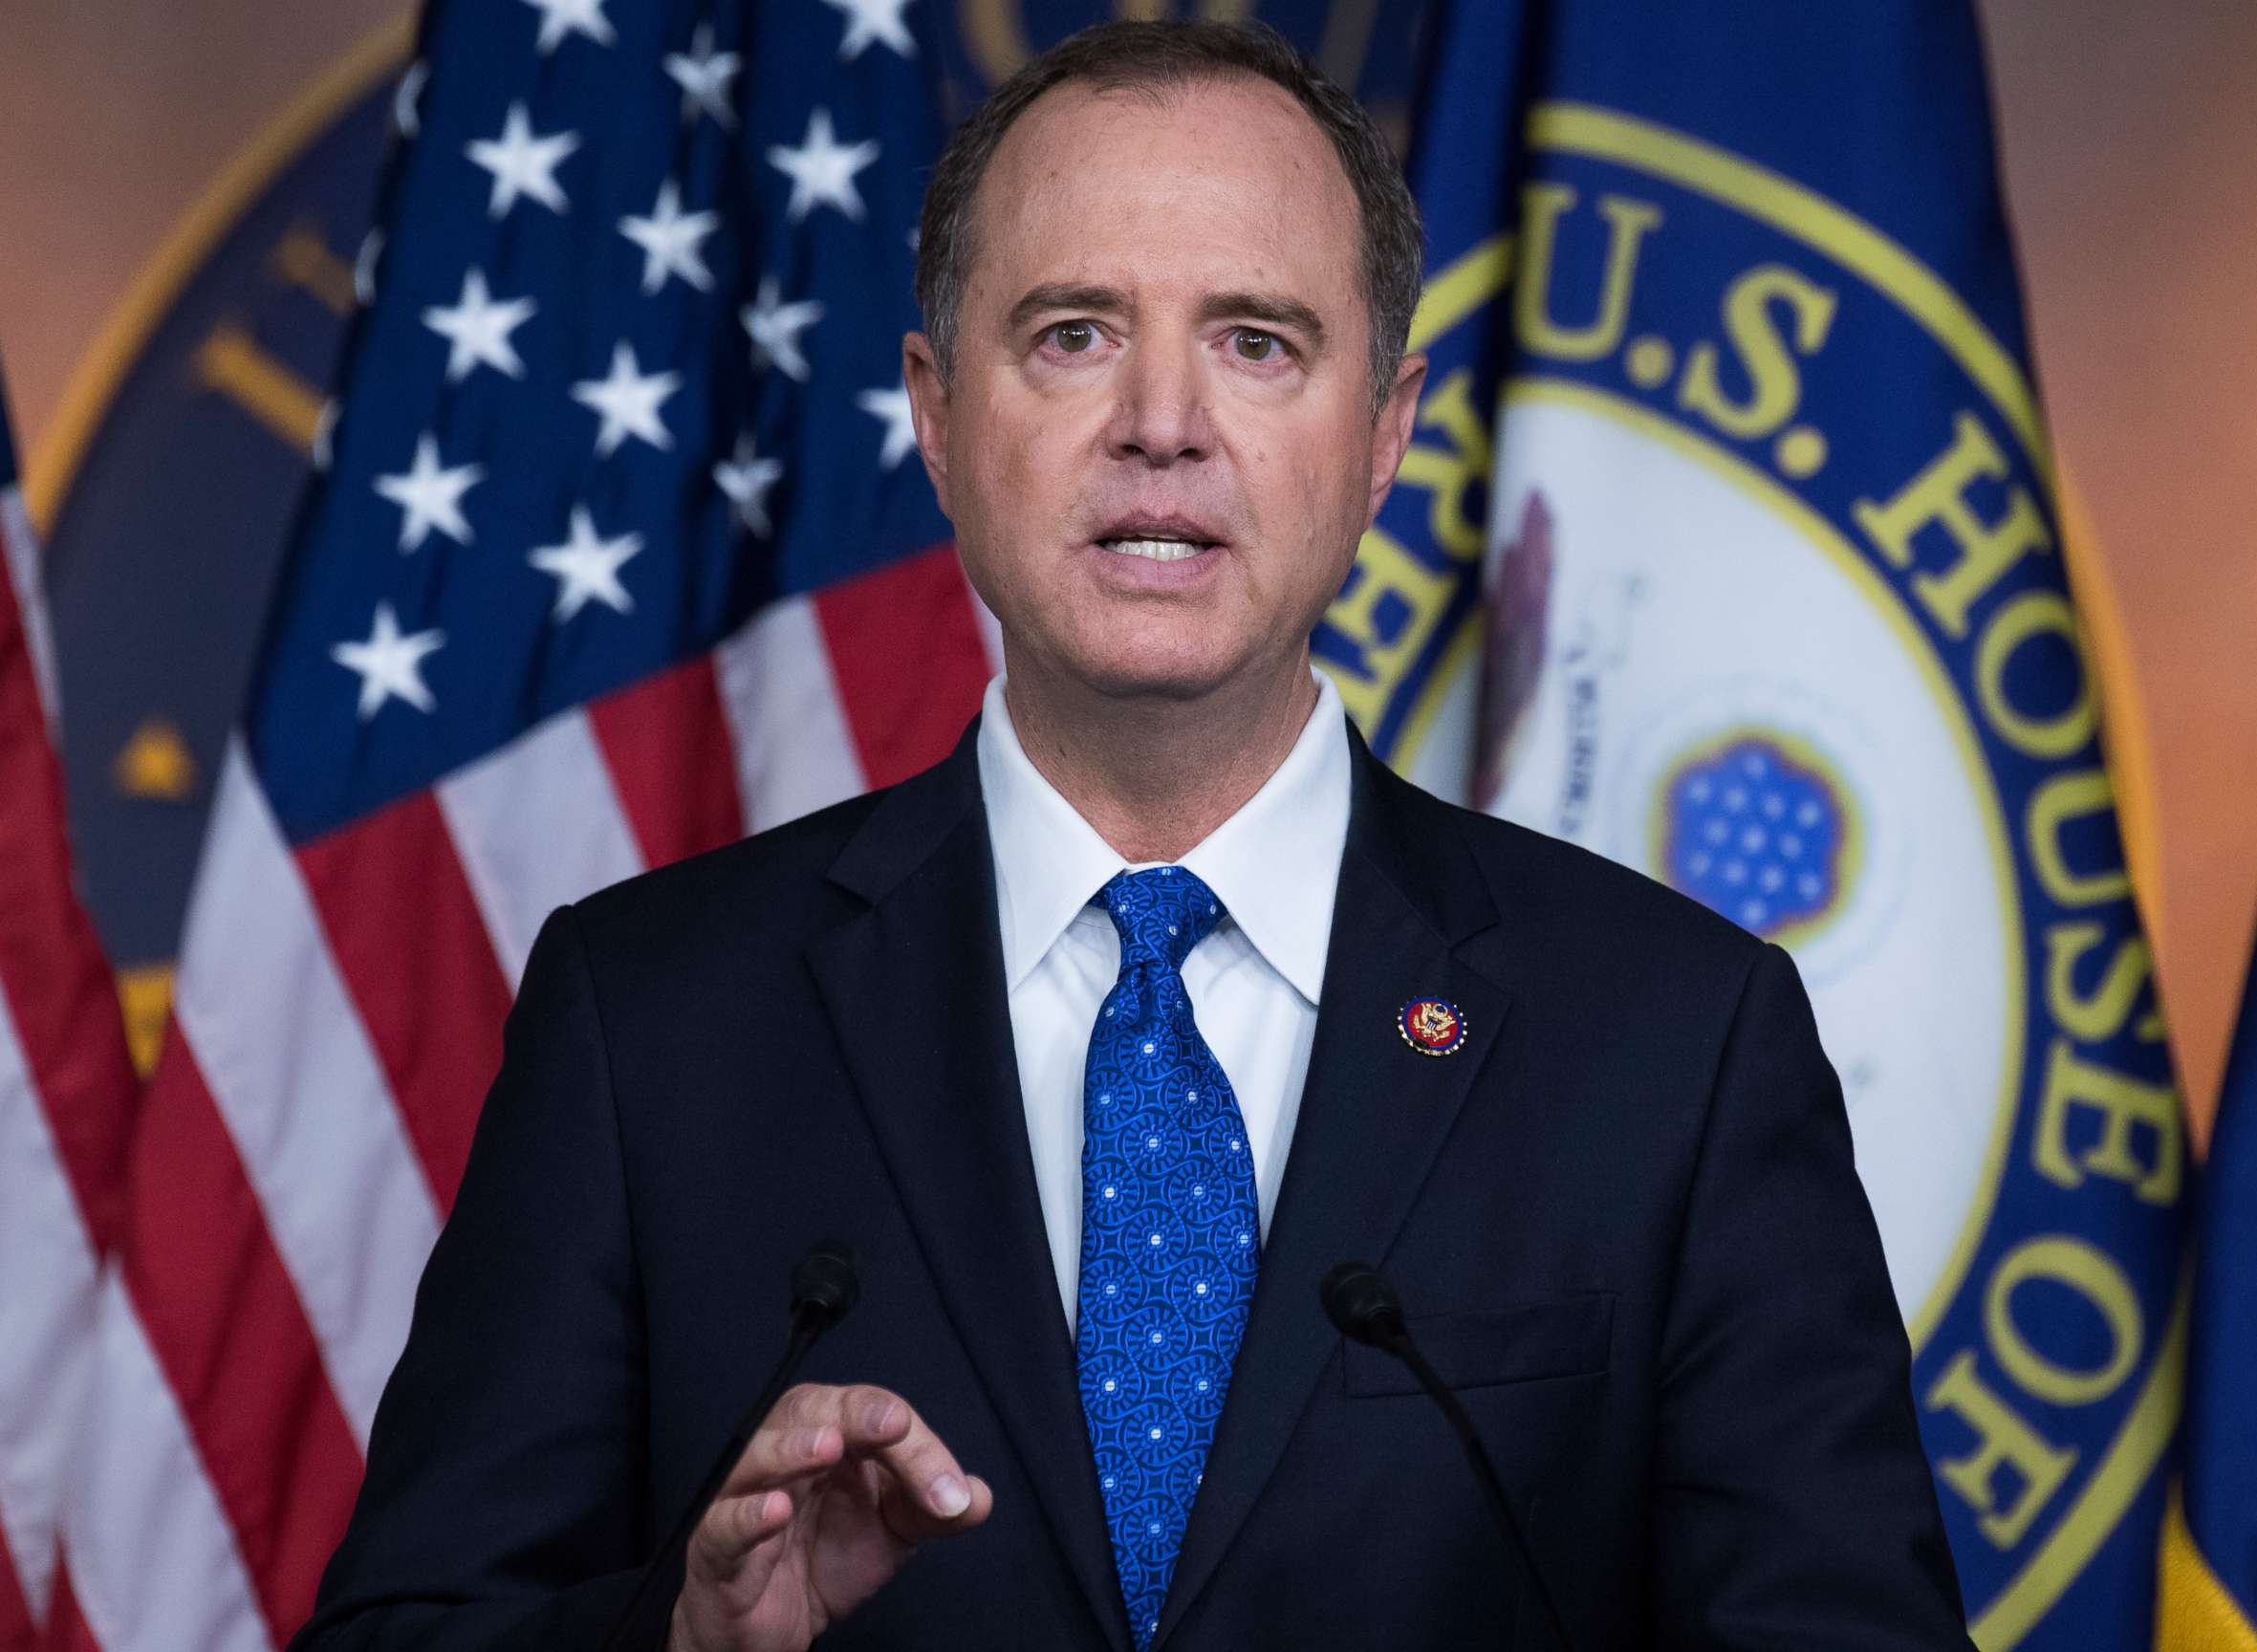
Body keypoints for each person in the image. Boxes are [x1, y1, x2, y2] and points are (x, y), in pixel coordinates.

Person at [295, 20, 1973, 1651]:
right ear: (937, 418)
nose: (1162, 421)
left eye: (1257, 340)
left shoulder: (1677, 1044)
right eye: (1075, 333)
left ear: (1384, 434)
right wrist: (683, 1641)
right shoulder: (648, 1019)